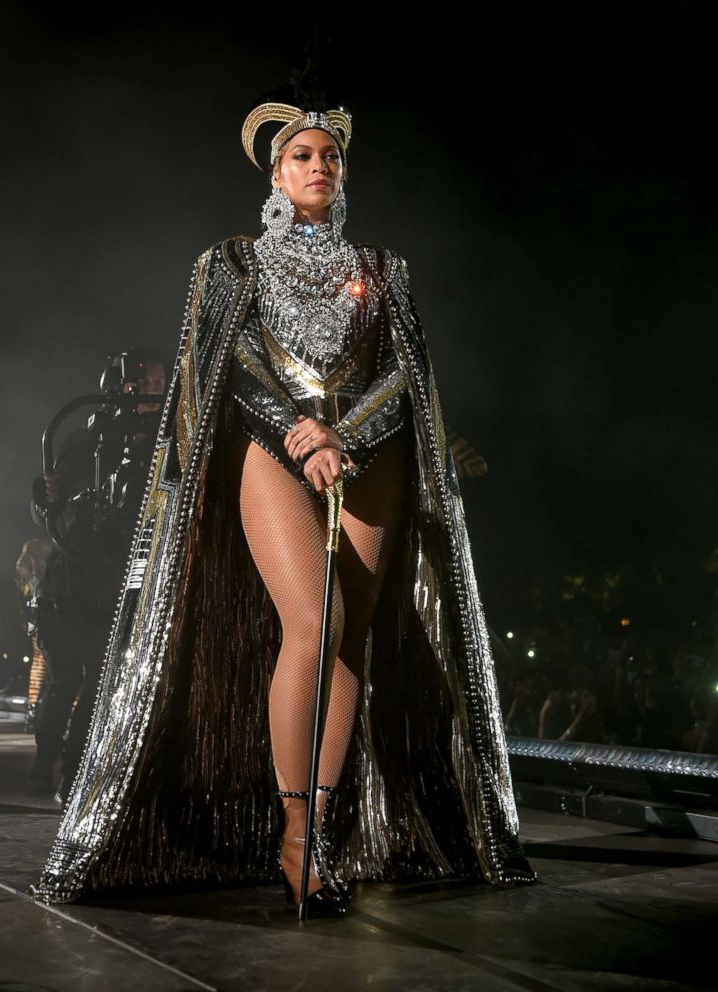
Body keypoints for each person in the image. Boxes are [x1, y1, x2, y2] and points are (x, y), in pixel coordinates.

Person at [33, 79, 537, 914]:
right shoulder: (229, 262)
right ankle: (295, 834)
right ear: (275, 174)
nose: (319, 166)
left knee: (349, 640)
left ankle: (328, 829)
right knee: (315, 620)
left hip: (370, 458)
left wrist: (348, 437)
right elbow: (226, 364)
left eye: (331, 156)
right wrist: (300, 432)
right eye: (302, 156)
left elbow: (403, 378)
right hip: (270, 449)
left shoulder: (383, 269)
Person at [28, 351, 167, 800]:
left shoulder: (167, 441)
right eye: (143, 384)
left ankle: (75, 771)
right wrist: (45, 494)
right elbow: (50, 510)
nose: (150, 394)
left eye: (157, 385)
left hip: (121, 583)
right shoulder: (88, 442)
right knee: (63, 680)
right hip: (71, 587)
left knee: (102, 683)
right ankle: (45, 760)